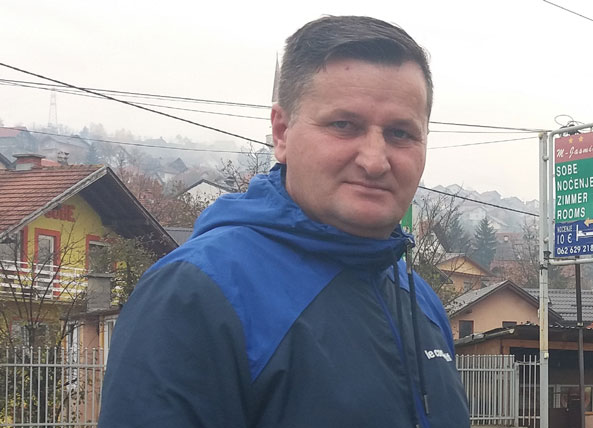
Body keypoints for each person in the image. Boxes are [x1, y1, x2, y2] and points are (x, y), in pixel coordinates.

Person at [99, 15, 470, 428]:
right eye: (344, 125)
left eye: (401, 133)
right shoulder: (194, 295)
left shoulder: (420, 301)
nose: (374, 160)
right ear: (281, 133)